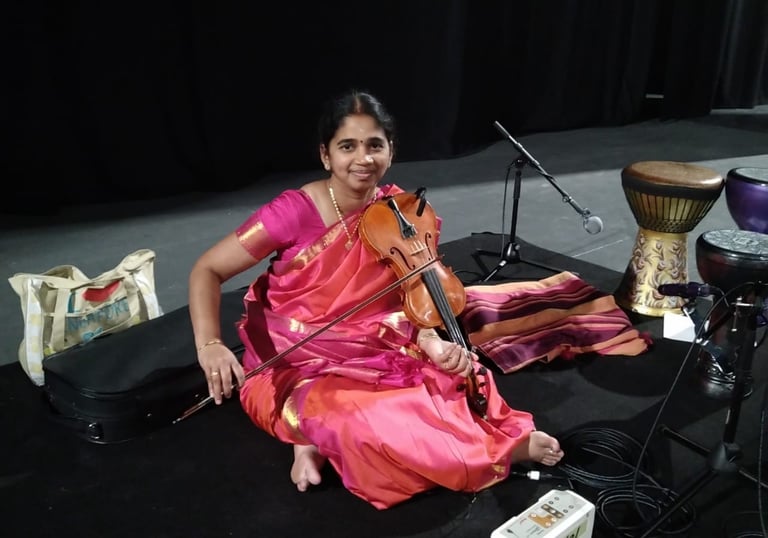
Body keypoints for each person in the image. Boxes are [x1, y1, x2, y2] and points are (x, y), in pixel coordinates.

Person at [188, 89, 564, 510]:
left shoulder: (402, 213)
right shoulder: (293, 212)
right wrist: (210, 344)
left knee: (460, 375)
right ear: (326, 155)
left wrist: (432, 341)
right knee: (355, 419)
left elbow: (405, 305)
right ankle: (490, 455)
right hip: (296, 364)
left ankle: (314, 444)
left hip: (378, 349)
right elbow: (207, 270)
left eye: (374, 146)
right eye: (347, 146)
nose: (362, 158)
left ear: (391, 151)